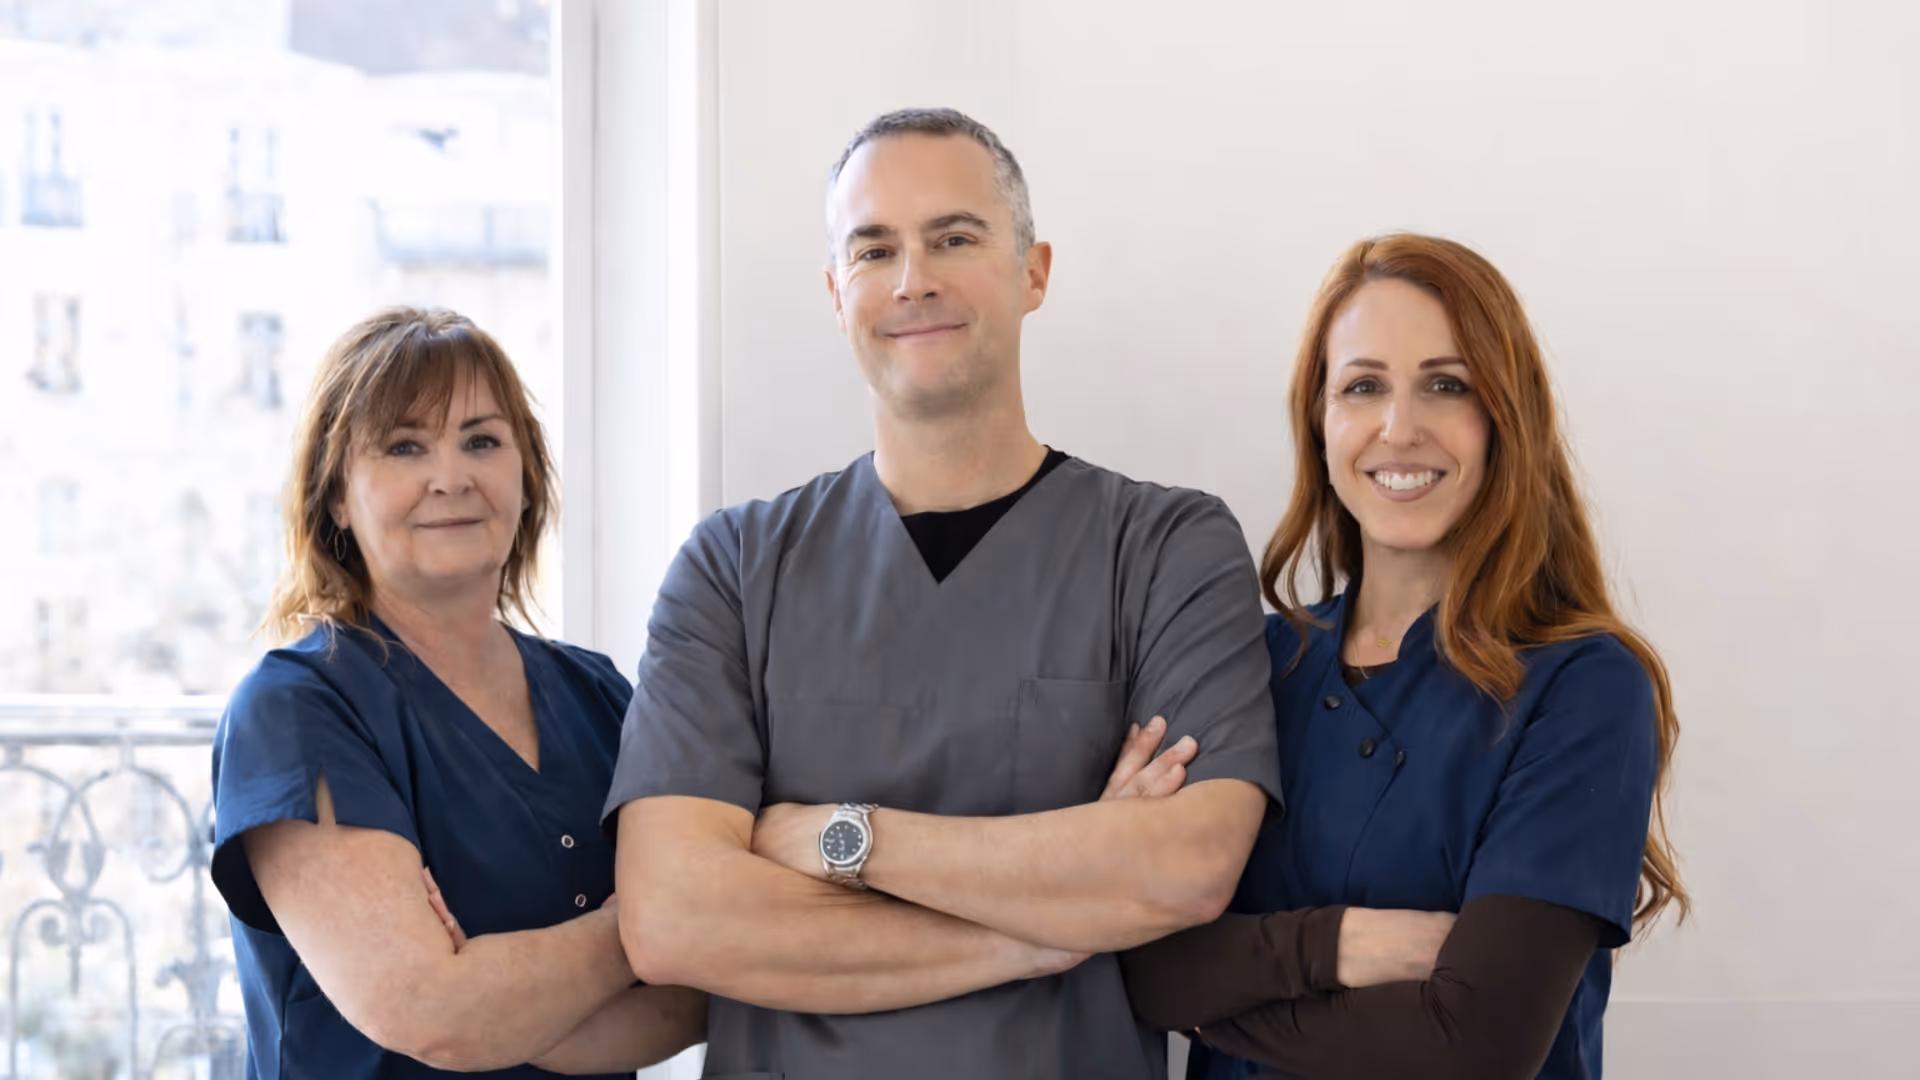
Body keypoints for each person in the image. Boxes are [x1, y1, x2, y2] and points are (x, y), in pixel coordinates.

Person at [600, 107, 1281, 1080]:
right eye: (875, 250)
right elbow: (673, 919)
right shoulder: (734, 570)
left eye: (954, 238)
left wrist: (840, 839)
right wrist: (1045, 932)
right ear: (838, 292)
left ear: (1032, 271)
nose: (913, 277)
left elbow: (1185, 866)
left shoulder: (1166, 548)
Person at [1119, 234, 1689, 1080]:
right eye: (1363, 386)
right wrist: (1339, 944)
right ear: (1319, 420)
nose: (1399, 427)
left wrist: (1214, 998)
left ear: (1505, 417)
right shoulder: (1250, 667)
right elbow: (1136, 965)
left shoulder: (1584, 688)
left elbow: (1474, 1045)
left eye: (1445, 385)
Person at [210, 307, 705, 1079]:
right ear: (337, 497)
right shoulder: (297, 710)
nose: (451, 477)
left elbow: (704, 991)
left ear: (525, 475)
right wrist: (645, 927)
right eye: (405, 446)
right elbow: (433, 1016)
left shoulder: (600, 693)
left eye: (481, 440)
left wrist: (499, 1001)